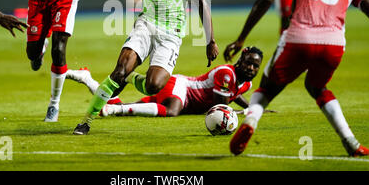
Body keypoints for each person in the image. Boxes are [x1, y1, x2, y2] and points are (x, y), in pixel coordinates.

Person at [224, 0, 369, 157]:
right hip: (333, 45)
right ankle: (351, 141)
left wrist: (241, 38)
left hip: (299, 38)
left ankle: (251, 121)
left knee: (266, 90)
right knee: (317, 88)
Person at [73, 0, 219, 135]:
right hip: (146, 25)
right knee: (119, 70)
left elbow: (201, 2)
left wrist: (210, 40)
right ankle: (87, 121)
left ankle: (130, 78)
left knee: (153, 86)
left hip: (172, 33)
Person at [67, 47, 276, 118]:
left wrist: (254, 107)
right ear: (240, 61)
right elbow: (219, 105)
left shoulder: (244, 83)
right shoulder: (226, 73)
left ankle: (87, 78)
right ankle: (128, 84)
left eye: (255, 66)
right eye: (248, 63)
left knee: (121, 105)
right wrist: (243, 113)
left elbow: (235, 95)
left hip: (185, 100)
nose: (251, 69)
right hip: (181, 88)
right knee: (172, 111)